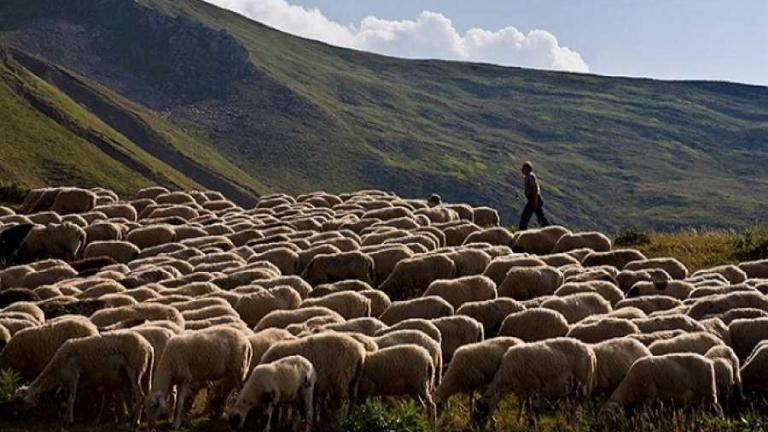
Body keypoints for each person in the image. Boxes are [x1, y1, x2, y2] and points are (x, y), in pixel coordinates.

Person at [518, 161, 550, 230]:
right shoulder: (527, 177)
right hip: (532, 199)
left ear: (527, 169)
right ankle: (548, 229)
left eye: (524, 168)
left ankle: (522, 230)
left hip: (534, 198)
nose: (522, 169)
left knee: (525, 215)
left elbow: (534, 188)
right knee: (540, 216)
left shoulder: (530, 176)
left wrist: (535, 200)